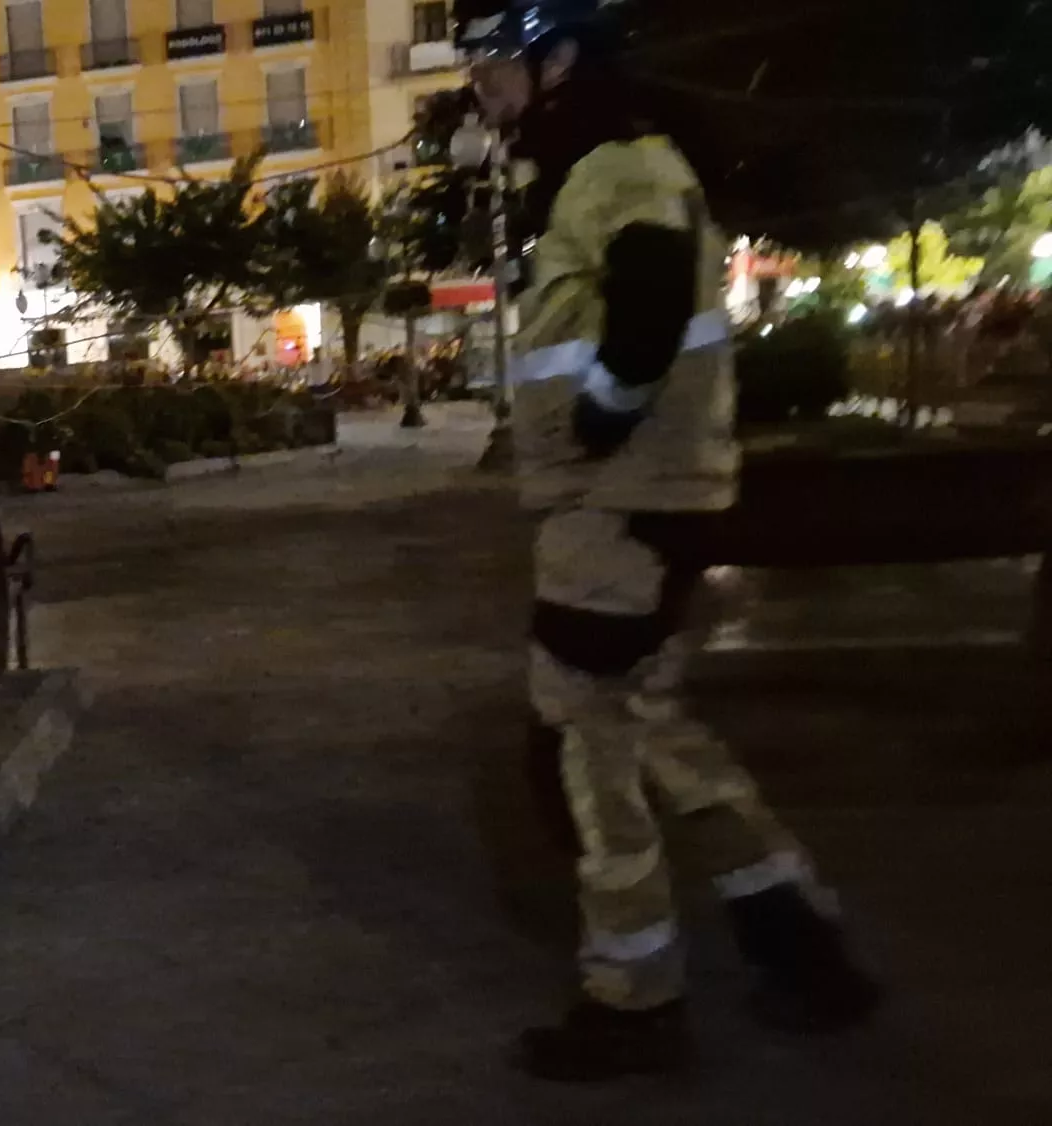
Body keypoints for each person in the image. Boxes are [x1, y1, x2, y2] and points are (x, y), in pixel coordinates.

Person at [452, 0, 880, 1081]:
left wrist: (601, 413)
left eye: (491, 62)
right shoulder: (603, 158)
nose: (479, 85)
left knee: (583, 744)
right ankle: (798, 938)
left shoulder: (609, 161)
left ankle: (632, 997)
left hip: (618, 502)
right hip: (638, 501)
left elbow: (643, 303)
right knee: (645, 725)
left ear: (556, 59)